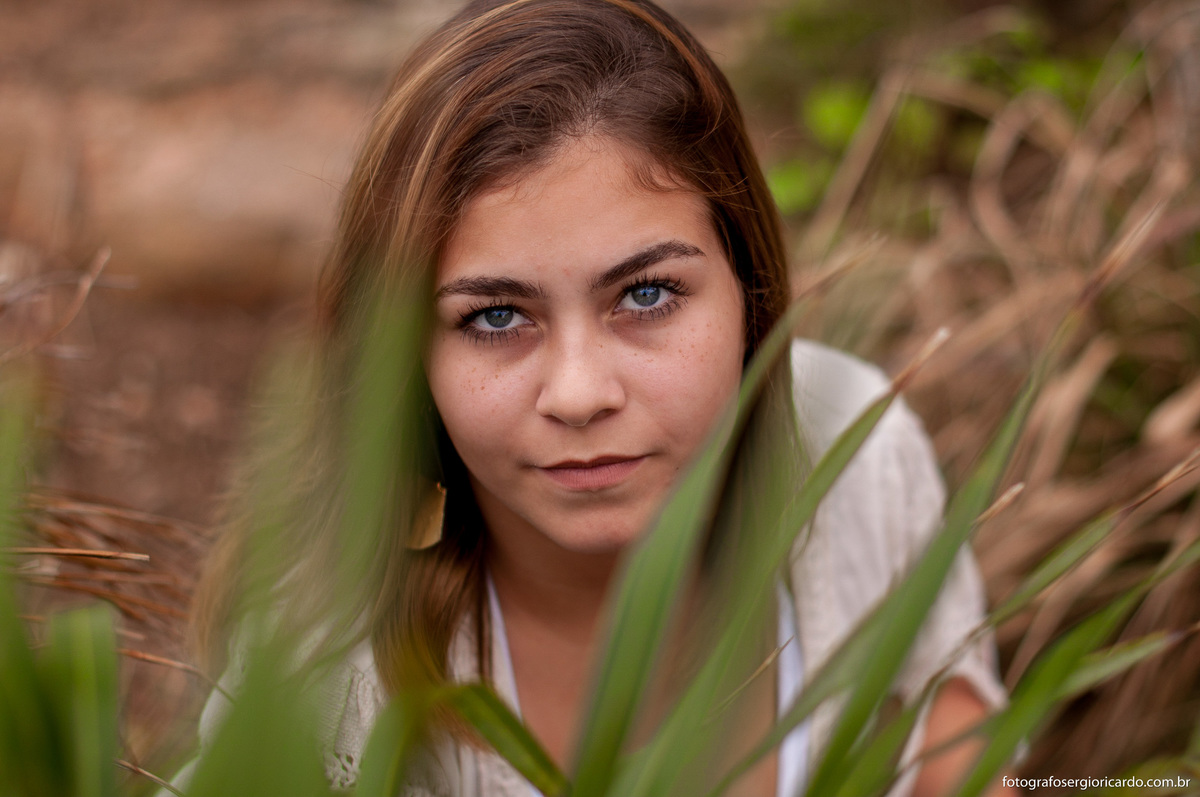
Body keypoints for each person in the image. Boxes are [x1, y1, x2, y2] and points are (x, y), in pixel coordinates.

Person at [188, 1, 1014, 795]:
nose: (579, 394)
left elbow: (956, 753)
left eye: (647, 294)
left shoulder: (856, 449)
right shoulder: (328, 685)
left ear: (747, 292)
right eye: (496, 315)